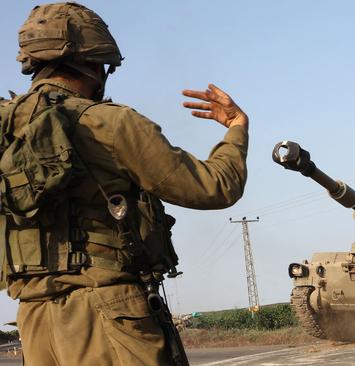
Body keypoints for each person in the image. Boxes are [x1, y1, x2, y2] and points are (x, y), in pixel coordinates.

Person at [0, 2, 248, 365]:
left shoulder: (6, 129)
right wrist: (236, 129)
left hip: (35, 321)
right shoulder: (109, 123)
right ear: (95, 63)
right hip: (109, 313)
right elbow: (215, 186)